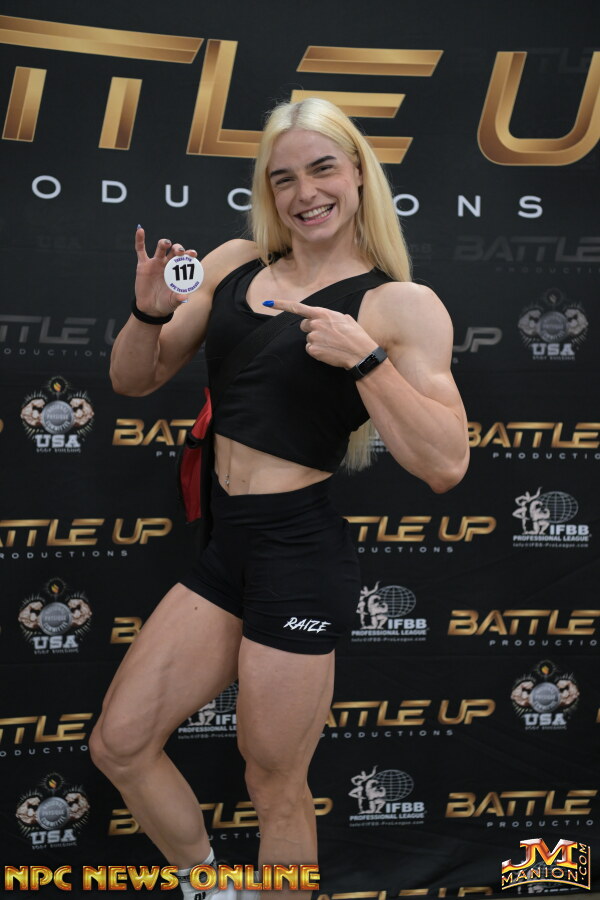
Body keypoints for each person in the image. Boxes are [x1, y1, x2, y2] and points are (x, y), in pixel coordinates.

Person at [90, 97, 469, 899]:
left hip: (298, 553)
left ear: (358, 173)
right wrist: (146, 311)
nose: (306, 193)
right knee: (119, 744)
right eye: (284, 177)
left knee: (273, 782)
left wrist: (366, 361)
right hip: (226, 547)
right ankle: (212, 888)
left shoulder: (398, 305)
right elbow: (134, 378)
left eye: (323, 168)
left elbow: (445, 465)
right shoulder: (235, 263)